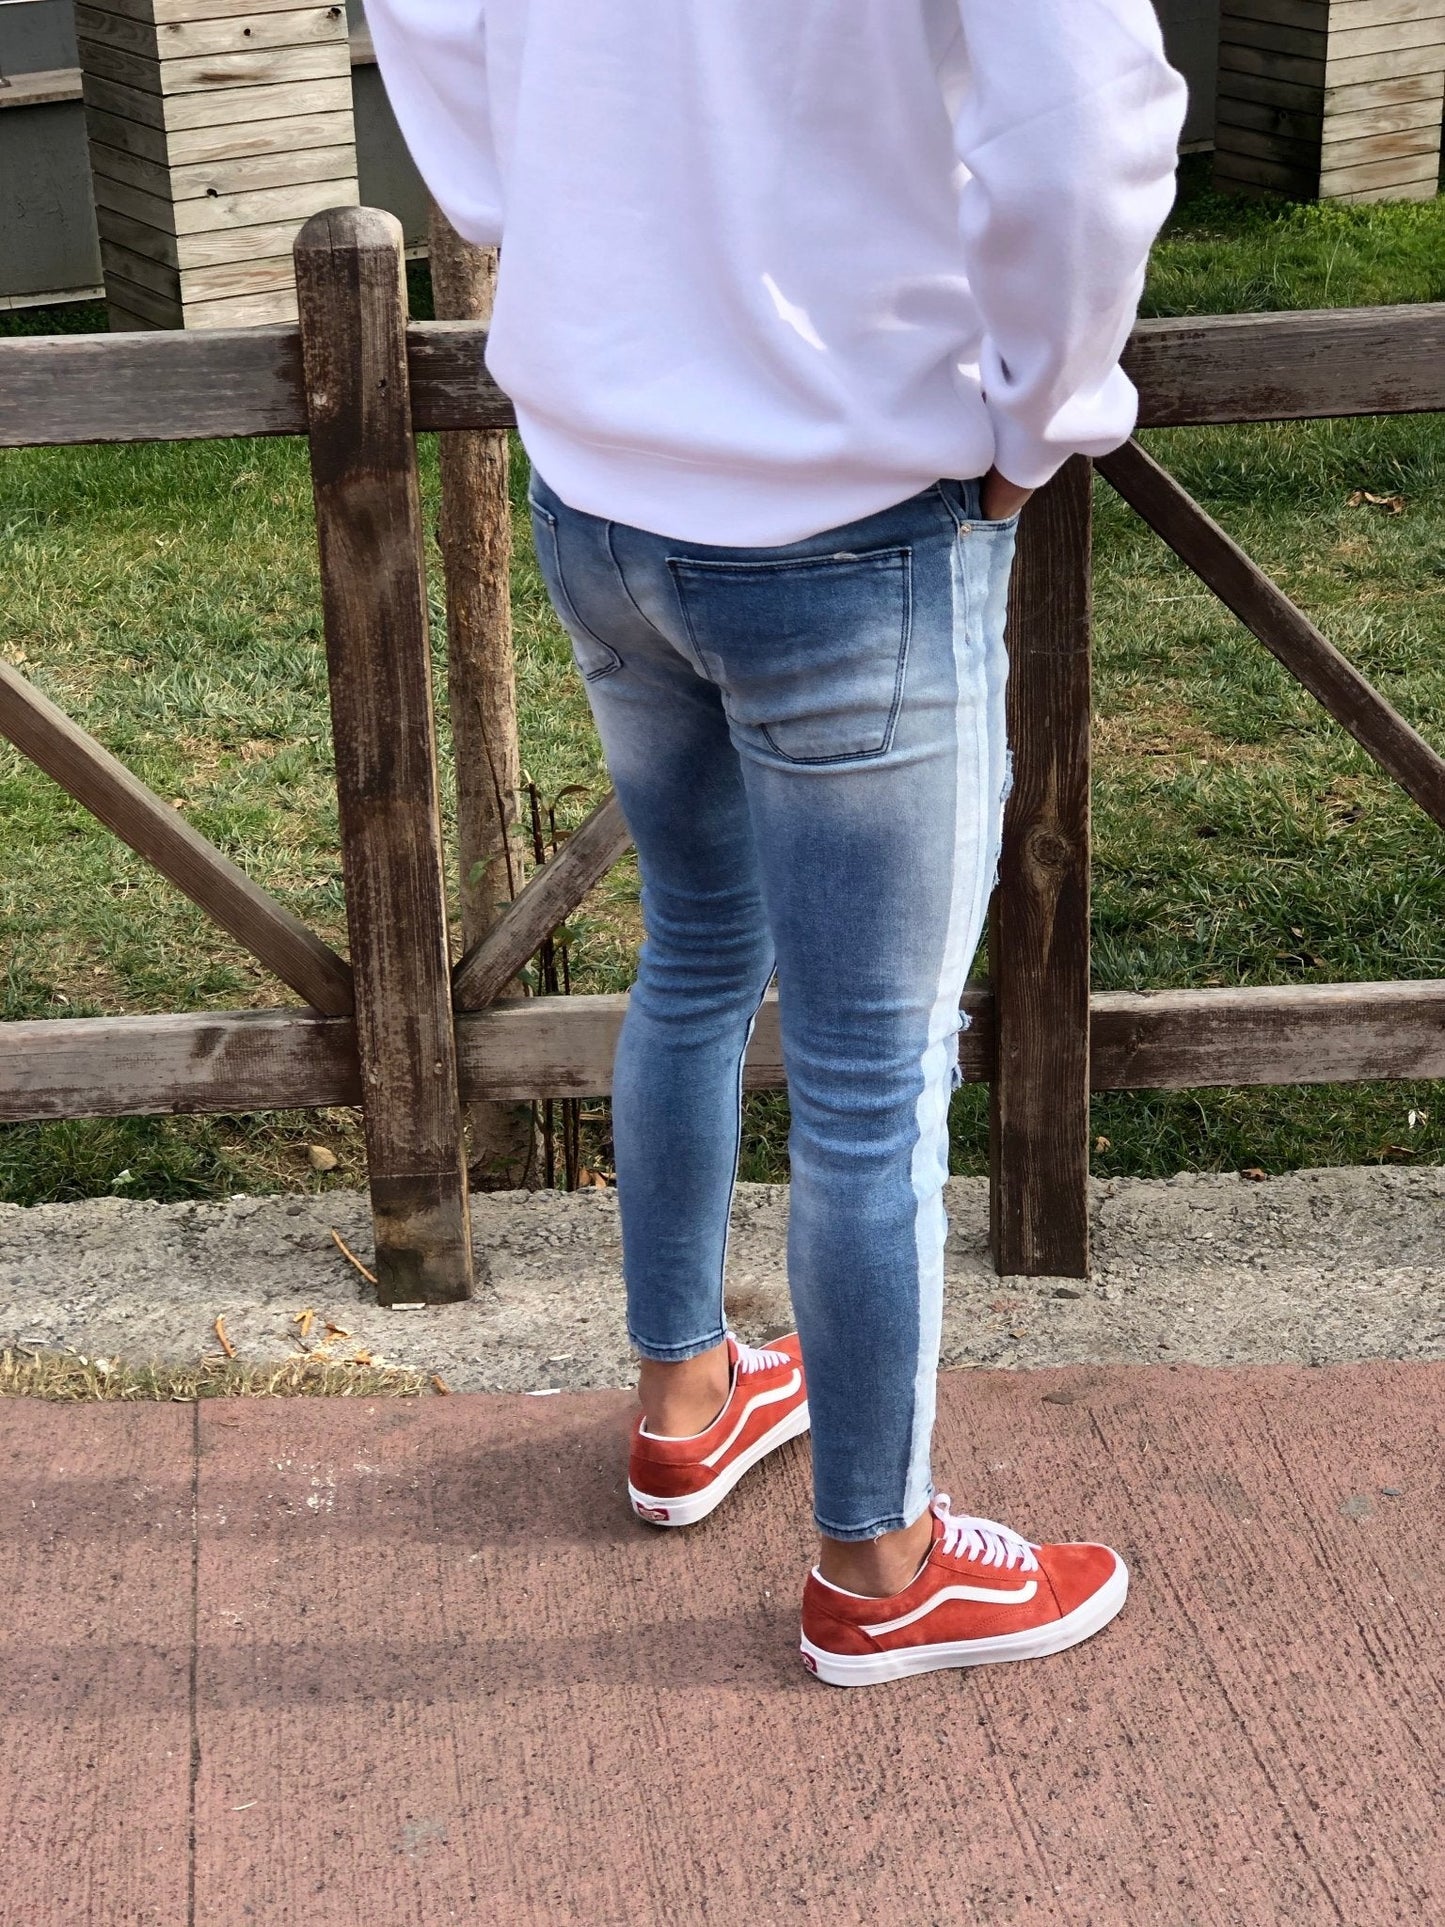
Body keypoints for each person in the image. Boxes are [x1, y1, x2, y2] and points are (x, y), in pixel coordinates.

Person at [365, 0, 1189, 1687]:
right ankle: (879, 1569)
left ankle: (684, 1396)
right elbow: (1083, 122)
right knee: (869, 1071)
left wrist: (544, 215)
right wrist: (1044, 415)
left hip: (600, 475)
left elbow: (428, 17)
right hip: (847, 494)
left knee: (693, 948)